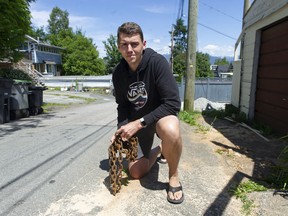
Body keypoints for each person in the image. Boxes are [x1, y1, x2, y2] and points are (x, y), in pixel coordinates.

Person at [110, 22, 184, 204]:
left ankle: (173, 176)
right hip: (139, 123)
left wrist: (140, 122)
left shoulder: (157, 63)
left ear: (143, 44)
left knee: (170, 129)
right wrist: (121, 131)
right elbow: (123, 106)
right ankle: (160, 149)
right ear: (118, 47)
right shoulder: (118, 73)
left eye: (134, 44)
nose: (129, 49)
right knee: (135, 172)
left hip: (159, 117)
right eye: (124, 44)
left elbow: (173, 103)